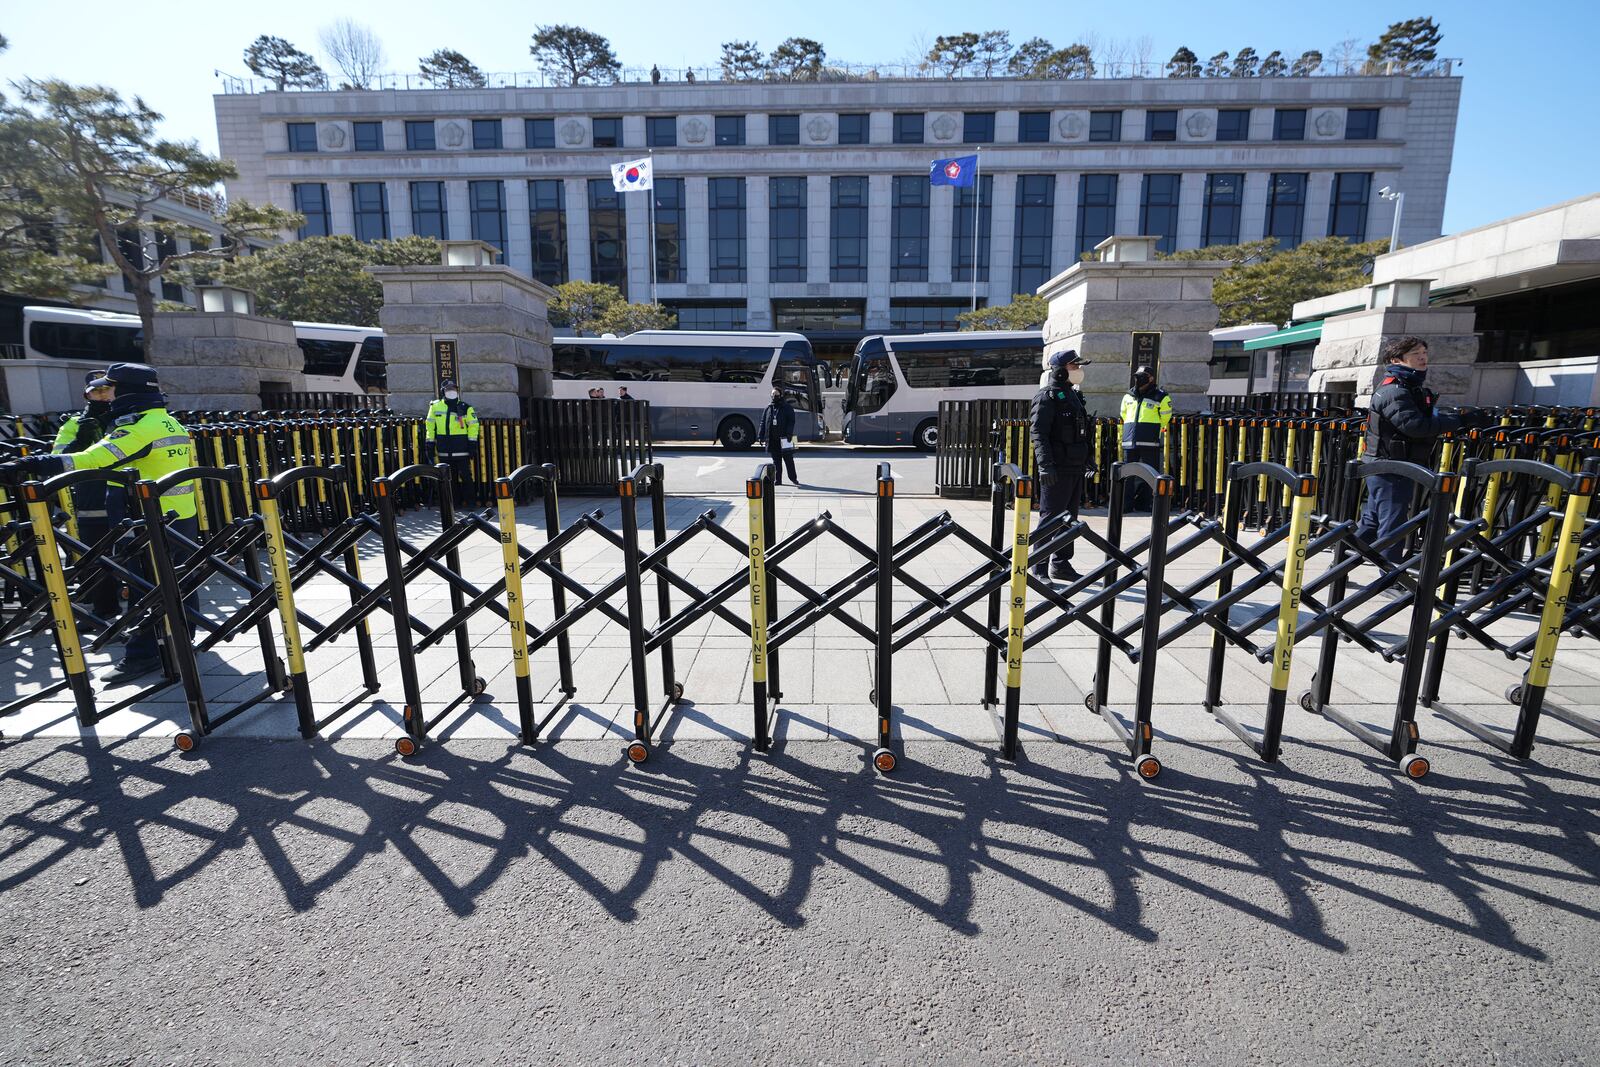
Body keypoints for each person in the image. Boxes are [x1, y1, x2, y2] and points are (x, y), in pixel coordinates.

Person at [0, 363, 196, 680]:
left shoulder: (138, 429)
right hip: (180, 515)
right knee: (178, 582)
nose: (108, 396)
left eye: (112, 388)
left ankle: (145, 655)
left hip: (144, 519)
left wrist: (29, 463)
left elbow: (91, 460)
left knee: (143, 587)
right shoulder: (169, 422)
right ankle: (183, 641)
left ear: (129, 392)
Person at [1358, 336, 1462, 563]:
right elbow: (1415, 426)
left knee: (1373, 521)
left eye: (1424, 353)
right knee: (1393, 523)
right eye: (1415, 354)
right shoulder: (1395, 390)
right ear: (1398, 359)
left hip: (1390, 464)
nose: (1423, 358)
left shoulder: (1406, 386)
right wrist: (1459, 421)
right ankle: (1389, 577)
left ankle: (1339, 564)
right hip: (1390, 466)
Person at [52, 372, 121, 625]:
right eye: (96, 391)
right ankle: (103, 609)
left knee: (136, 555)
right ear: (86, 394)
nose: (102, 396)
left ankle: (142, 608)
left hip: (124, 496)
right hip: (91, 497)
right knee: (95, 556)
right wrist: (79, 441)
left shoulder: (126, 419)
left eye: (106, 390)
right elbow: (59, 460)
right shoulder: (73, 424)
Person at [1029, 350, 1094, 583]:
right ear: (1059, 370)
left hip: (1074, 465)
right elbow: (1039, 434)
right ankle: (1039, 566)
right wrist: (1045, 466)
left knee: (1070, 519)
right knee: (1050, 517)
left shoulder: (1073, 395)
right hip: (1056, 467)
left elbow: (1083, 431)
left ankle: (1061, 564)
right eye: (1074, 366)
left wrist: (1089, 459)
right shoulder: (1047, 397)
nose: (1078, 370)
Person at [1119, 364, 1172, 512]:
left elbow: (1166, 416)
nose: (1139, 380)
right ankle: (1126, 504)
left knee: (1150, 474)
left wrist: (1154, 430)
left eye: (1142, 377)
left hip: (1150, 441)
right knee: (1128, 474)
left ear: (1151, 378)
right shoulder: (1128, 396)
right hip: (1130, 441)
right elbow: (1124, 414)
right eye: (1137, 377)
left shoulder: (1161, 396)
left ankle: (1145, 503)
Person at [424, 379, 480, 508]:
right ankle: (454, 503)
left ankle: (471, 502)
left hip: (462, 449)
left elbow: (473, 426)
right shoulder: (435, 407)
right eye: (449, 389)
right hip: (444, 449)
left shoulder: (465, 407)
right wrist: (430, 444)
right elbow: (430, 426)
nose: (451, 392)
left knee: (466, 477)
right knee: (449, 478)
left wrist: (472, 444)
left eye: (454, 389)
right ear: (443, 391)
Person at [757, 387, 800, 487]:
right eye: (772, 395)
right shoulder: (768, 408)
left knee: (789, 460)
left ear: (780, 395)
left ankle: (793, 478)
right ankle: (778, 479)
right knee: (776, 461)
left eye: (776, 395)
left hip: (786, 438)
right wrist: (760, 435)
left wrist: (789, 433)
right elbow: (763, 422)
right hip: (772, 439)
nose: (774, 397)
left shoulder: (787, 407)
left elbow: (791, 421)